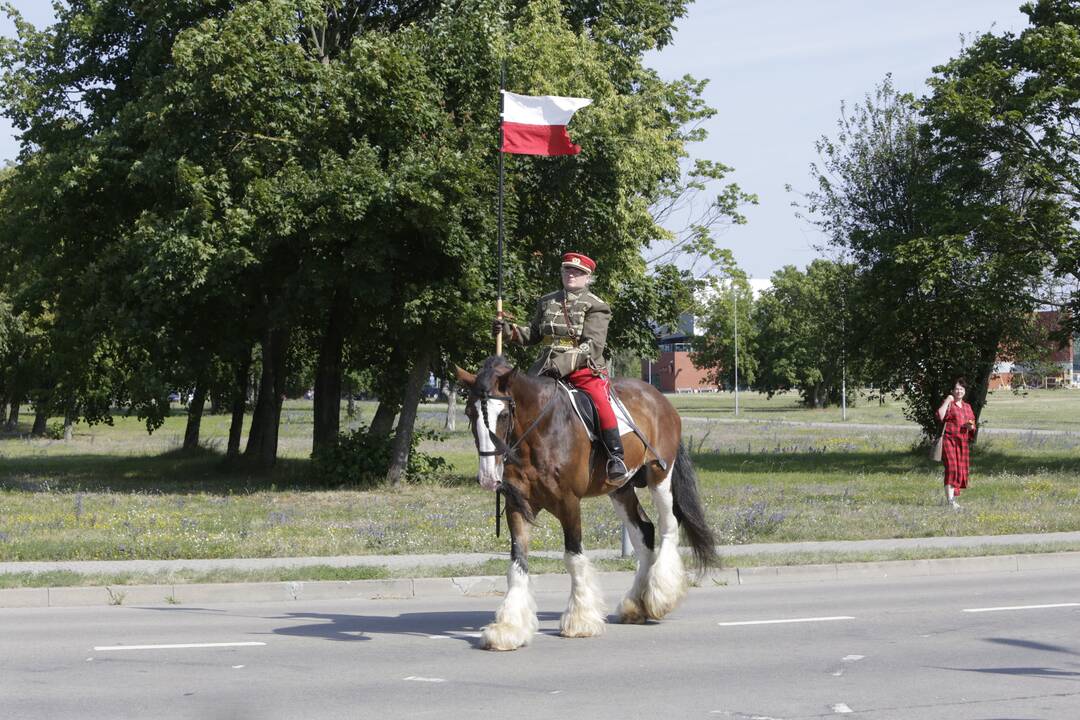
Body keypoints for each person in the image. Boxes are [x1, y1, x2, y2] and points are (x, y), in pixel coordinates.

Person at [493, 252, 629, 482]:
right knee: (515, 402)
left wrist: (563, 364)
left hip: (582, 367)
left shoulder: (597, 306)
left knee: (599, 400)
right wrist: (509, 331)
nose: (571, 275)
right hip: (544, 368)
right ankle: (511, 455)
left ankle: (615, 457)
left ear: (588, 277)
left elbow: (593, 345)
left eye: (578, 272)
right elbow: (534, 334)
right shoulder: (547, 301)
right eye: (567, 270)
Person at [936, 377, 977, 509]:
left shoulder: (967, 407)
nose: (959, 391)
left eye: (961, 389)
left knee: (959, 470)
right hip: (949, 440)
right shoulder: (949, 403)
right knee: (952, 468)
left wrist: (971, 427)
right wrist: (947, 400)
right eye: (956, 389)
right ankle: (951, 501)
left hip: (962, 442)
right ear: (952, 391)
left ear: (964, 391)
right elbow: (940, 416)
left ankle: (953, 499)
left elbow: (972, 423)